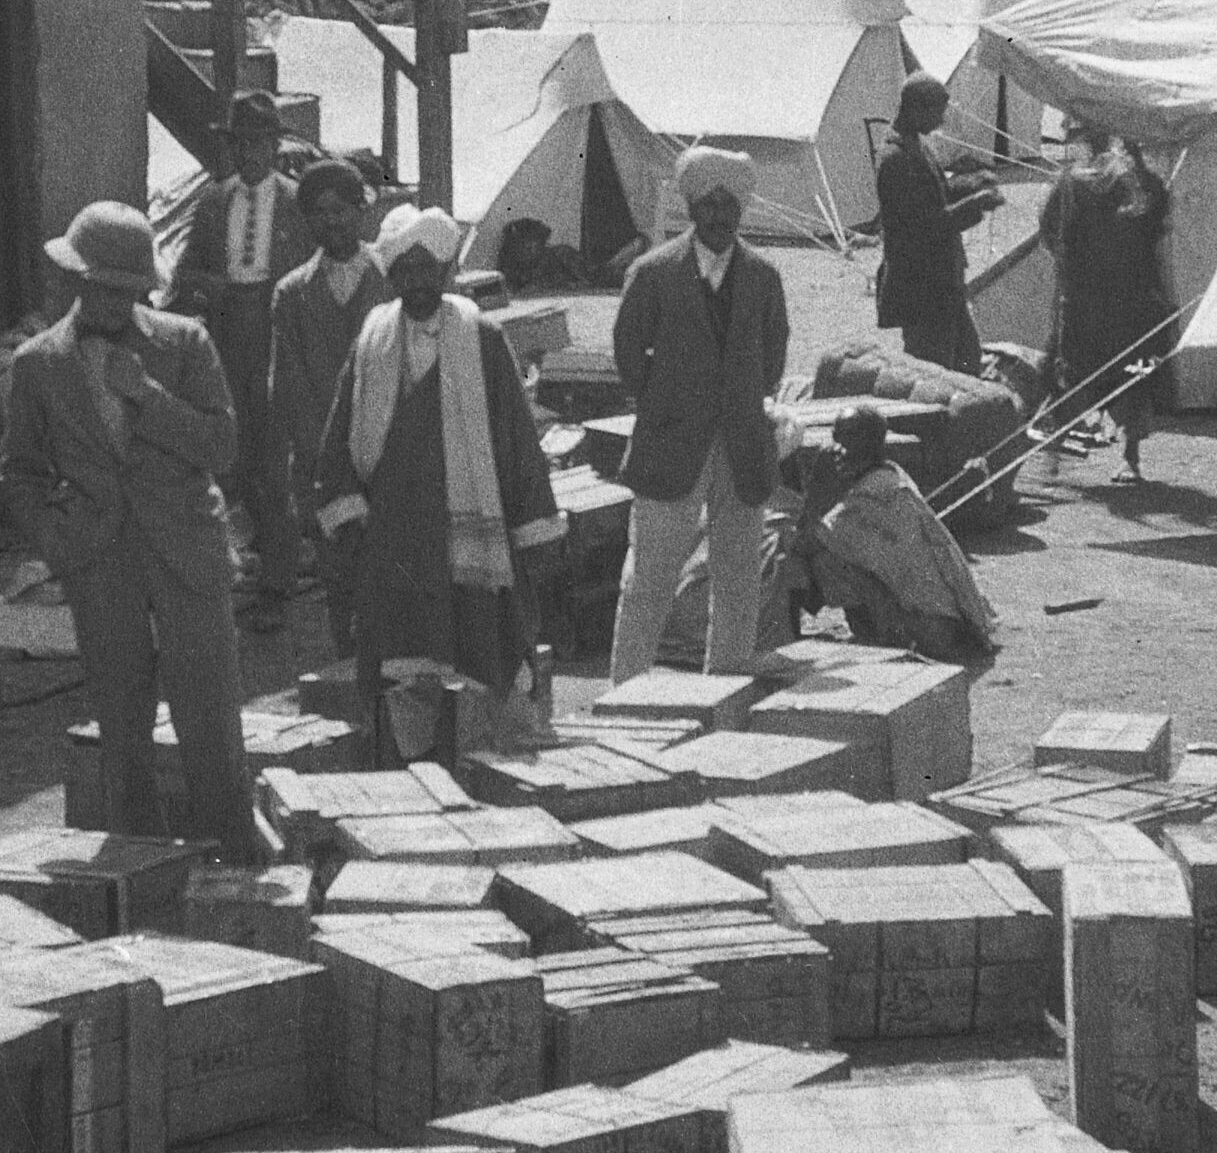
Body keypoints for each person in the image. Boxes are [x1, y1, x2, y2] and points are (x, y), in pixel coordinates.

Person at [0, 198, 259, 862]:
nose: (115, 302)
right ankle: (141, 868)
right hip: (99, 559)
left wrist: (147, 395)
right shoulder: (37, 364)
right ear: (76, 280)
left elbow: (222, 447)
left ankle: (230, 859)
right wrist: (59, 543)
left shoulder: (185, 342)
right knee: (121, 724)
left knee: (210, 719)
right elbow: (20, 473)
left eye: (128, 290)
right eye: (102, 287)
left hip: (187, 552)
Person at [308, 206, 571, 759]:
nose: (416, 282)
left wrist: (534, 527)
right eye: (404, 271)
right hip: (397, 533)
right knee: (403, 660)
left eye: (427, 269)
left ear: (447, 270)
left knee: (486, 647)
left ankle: (493, 761)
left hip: (469, 526)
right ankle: (409, 768)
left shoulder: (481, 337)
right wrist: (347, 513)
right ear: (391, 276)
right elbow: (340, 432)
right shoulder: (372, 339)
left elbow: (515, 437)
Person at [608, 146, 793, 678]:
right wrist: (668, 401)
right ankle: (625, 690)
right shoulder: (653, 273)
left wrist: (741, 400)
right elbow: (628, 353)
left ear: (742, 209)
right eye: (708, 204)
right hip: (670, 444)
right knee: (650, 577)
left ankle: (726, 686)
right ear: (689, 207)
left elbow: (774, 355)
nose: (719, 216)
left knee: (738, 578)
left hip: (742, 446)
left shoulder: (763, 276)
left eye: (728, 205)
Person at [170, 89, 304, 620]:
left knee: (274, 459)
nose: (250, 154)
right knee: (234, 453)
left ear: (275, 147)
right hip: (228, 333)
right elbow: (185, 274)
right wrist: (213, 289)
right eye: (242, 144)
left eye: (260, 143)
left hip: (276, 330)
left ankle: (278, 583)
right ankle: (246, 567)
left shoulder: (296, 202)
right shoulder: (213, 202)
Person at [259, 160, 387, 657]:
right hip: (323, 463)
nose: (331, 221)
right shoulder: (292, 292)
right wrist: (327, 462)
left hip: (391, 452)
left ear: (361, 211)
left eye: (341, 209)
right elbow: (288, 387)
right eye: (319, 212)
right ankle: (351, 673)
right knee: (342, 578)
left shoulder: (391, 277)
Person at [802, 408, 1001, 667]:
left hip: (931, 633)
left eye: (845, 439)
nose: (835, 449)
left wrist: (817, 486)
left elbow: (805, 543)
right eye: (835, 437)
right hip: (951, 625)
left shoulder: (868, 497)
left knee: (822, 559)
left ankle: (871, 636)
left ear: (869, 444)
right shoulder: (892, 478)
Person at [1042, 117, 1184, 481]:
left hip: (1106, 299)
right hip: (1113, 298)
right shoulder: (1123, 184)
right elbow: (1053, 232)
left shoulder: (1090, 183)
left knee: (1100, 371)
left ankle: (1072, 453)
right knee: (1108, 371)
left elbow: (1053, 234)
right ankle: (1115, 455)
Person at [869, 75, 1001, 377]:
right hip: (921, 287)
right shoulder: (895, 159)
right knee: (932, 371)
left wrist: (973, 183)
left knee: (967, 359)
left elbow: (938, 193)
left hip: (943, 282)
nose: (941, 121)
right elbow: (922, 226)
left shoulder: (917, 145)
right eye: (937, 113)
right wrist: (975, 204)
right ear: (916, 109)